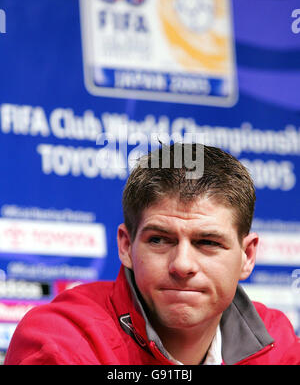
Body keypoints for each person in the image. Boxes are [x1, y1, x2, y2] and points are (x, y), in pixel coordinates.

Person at [4, 143, 300, 365]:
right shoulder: (62, 340)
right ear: (125, 246)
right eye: (159, 239)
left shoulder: (278, 343)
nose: (182, 265)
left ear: (247, 256)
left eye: (208, 242)